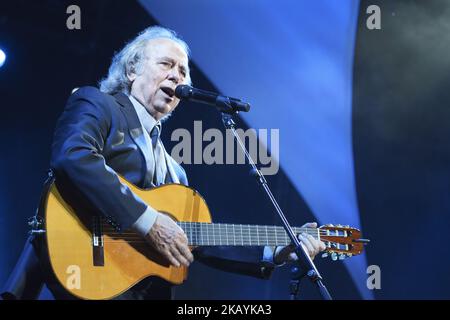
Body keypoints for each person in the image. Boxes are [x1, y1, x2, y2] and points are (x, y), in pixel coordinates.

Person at [48, 26, 326, 300]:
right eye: (166, 64)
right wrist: (148, 221)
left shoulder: (175, 170)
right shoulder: (98, 103)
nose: (176, 76)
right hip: (84, 268)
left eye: (183, 71)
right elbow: (73, 156)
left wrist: (275, 253)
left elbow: (196, 241)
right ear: (132, 71)